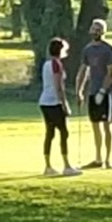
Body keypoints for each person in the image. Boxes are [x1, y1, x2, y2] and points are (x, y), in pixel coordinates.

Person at [77, 17, 112, 170]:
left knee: (108, 125)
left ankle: (108, 159)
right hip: (93, 91)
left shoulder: (109, 49)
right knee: (95, 124)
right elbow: (83, 70)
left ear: (103, 31)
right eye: (94, 28)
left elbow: (111, 73)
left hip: (107, 92)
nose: (96, 31)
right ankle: (98, 158)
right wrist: (79, 90)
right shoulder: (87, 49)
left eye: (99, 29)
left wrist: (103, 90)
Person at [37, 37, 81, 177]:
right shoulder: (56, 64)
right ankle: (66, 165)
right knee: (63, 132)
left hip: (44, 102)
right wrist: (64, 103)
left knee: (50, 133)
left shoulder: (46, 64)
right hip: (54, 102)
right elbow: (58, 86)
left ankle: (48, 166)